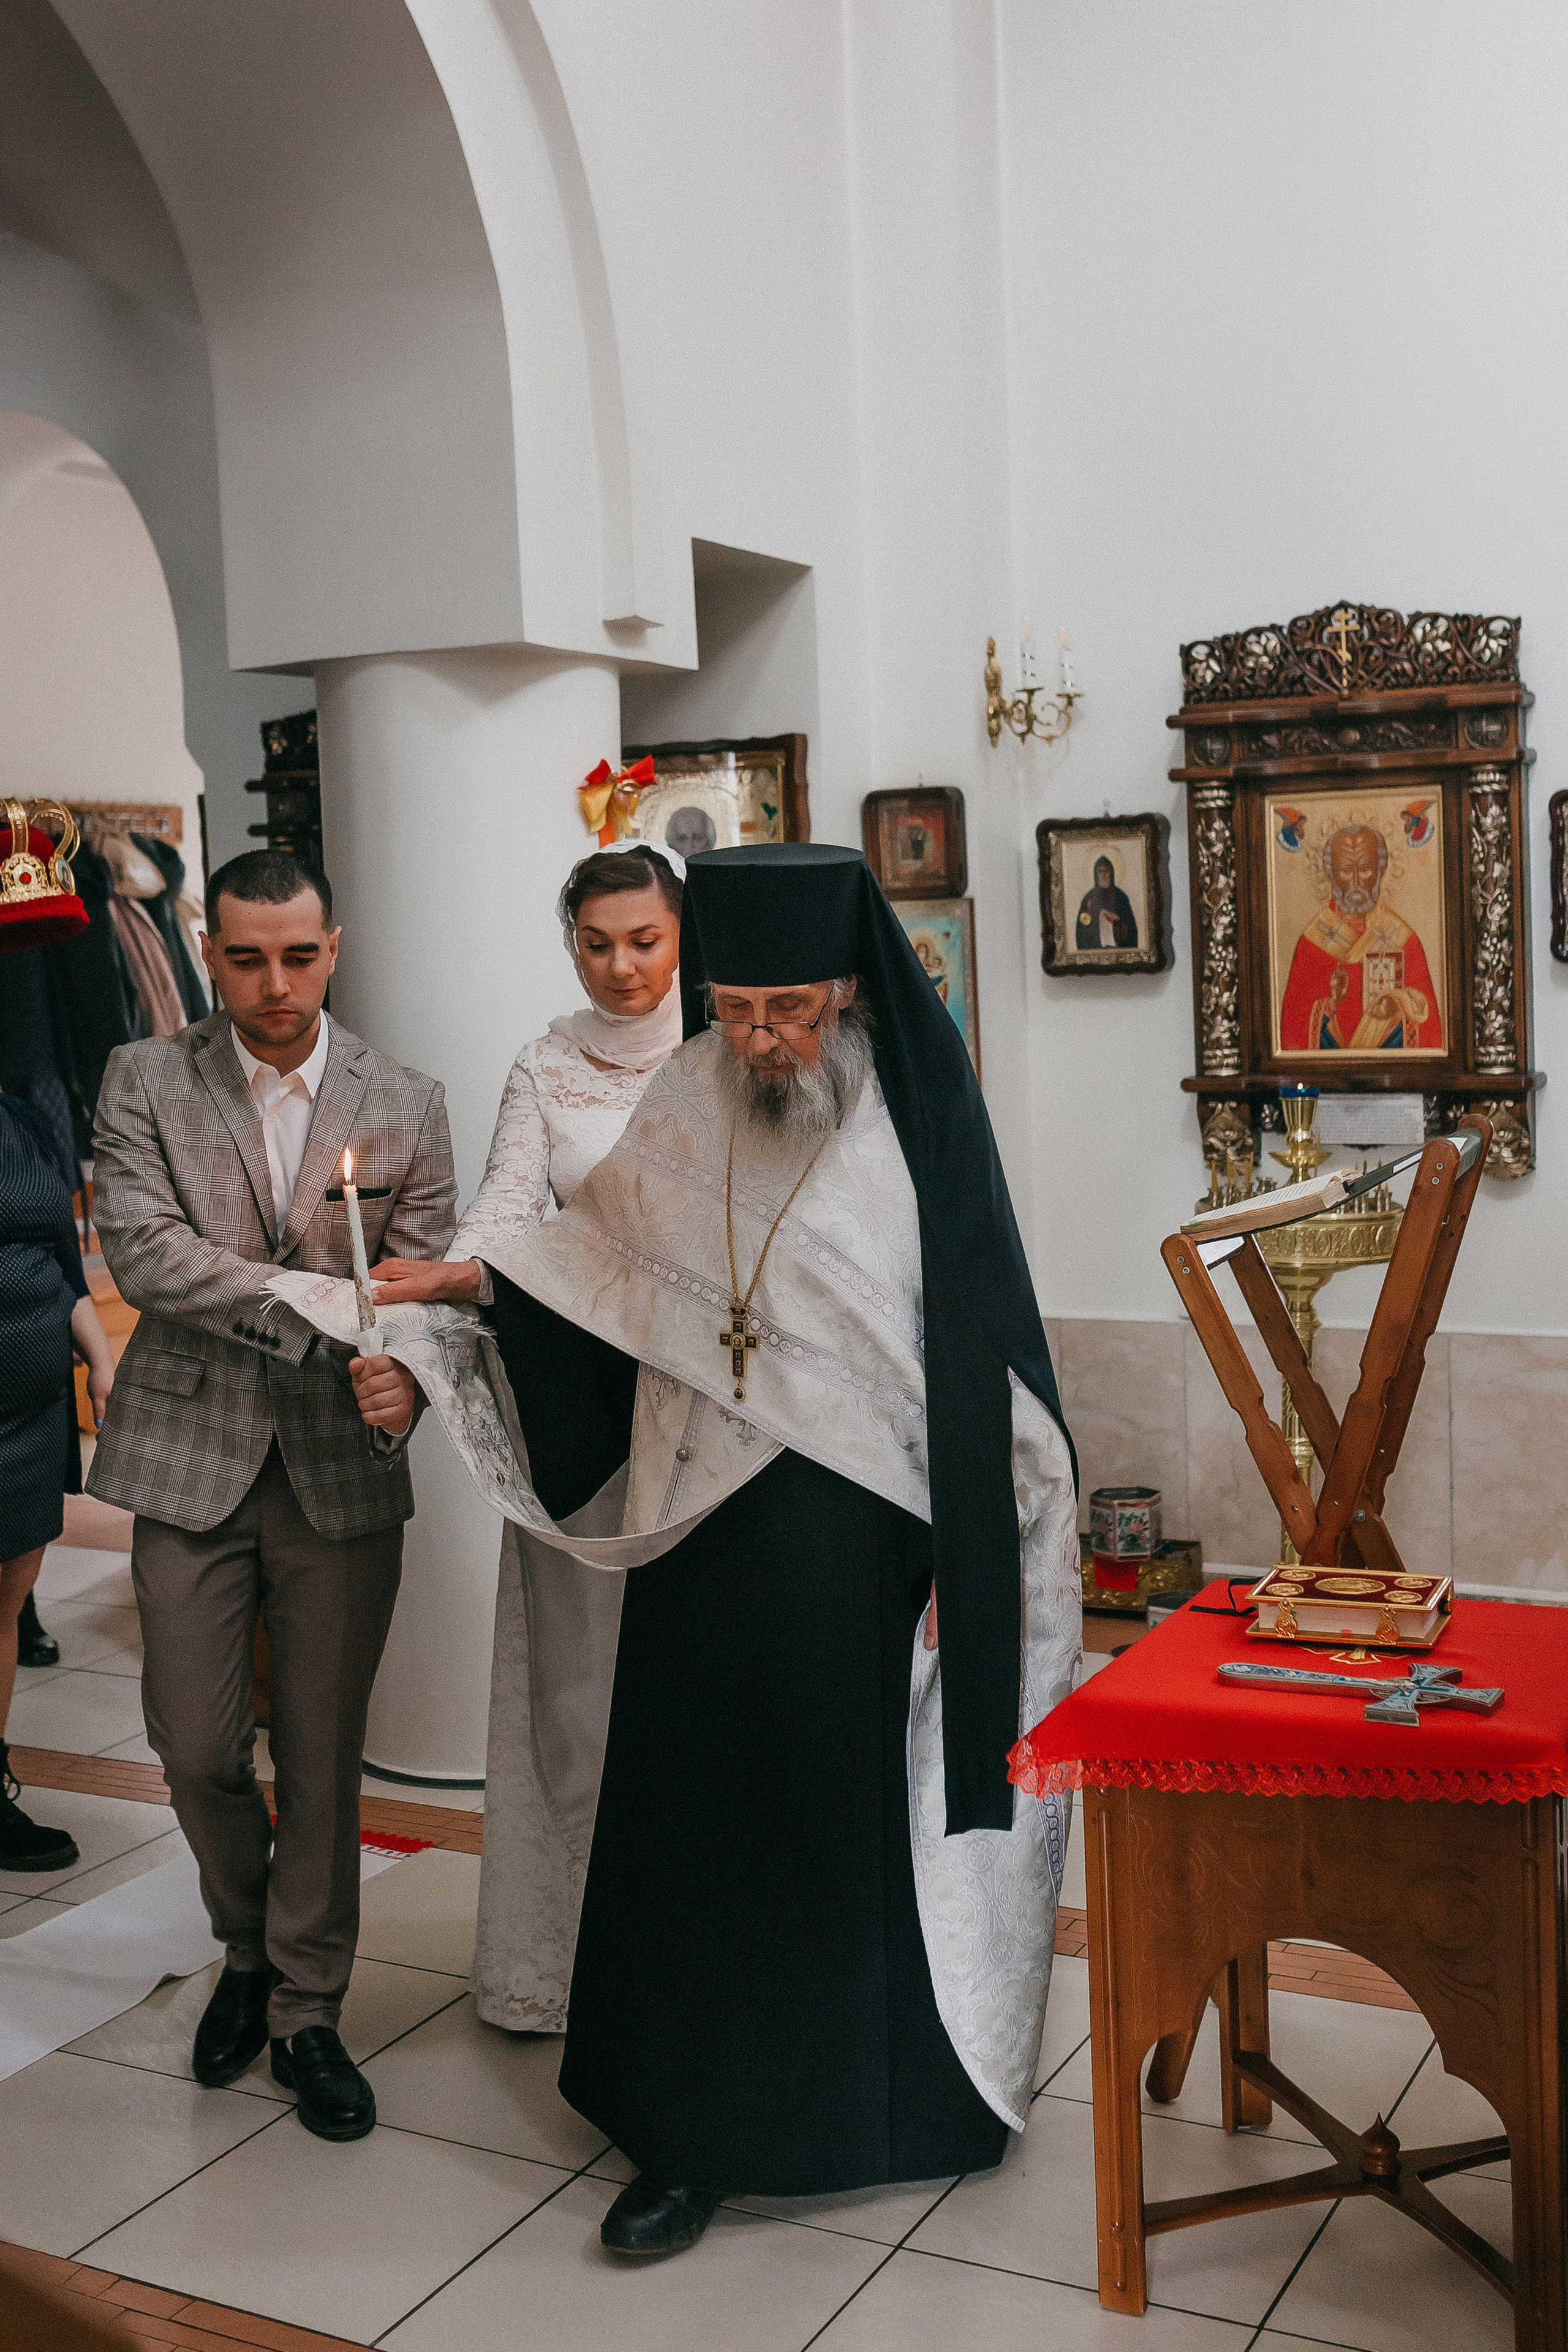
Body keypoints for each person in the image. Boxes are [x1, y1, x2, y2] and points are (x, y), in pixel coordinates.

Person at [358, 842, 1080, 2256]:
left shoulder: (908, 1112)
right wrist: (469, 1289)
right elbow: (600, 1269)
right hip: (704, 1521)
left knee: (833, 1818)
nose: (760, 1038)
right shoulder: (689, 1092)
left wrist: (971, 1547)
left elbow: (972, 1336)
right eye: (738, 1005)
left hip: (855, 1531)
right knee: (695, 1824)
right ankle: (684, 2136)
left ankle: (874, 2107)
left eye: (789, 1010)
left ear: (847, 989)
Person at [88, 850, 456, 2142]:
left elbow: (422, 1295)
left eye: (298, 957)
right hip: (186, 1457)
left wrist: (407, 1381)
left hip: (338, 1472)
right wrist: (307, 1306)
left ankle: (304, 2005)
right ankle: (242, 1945)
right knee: (194, 1748)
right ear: (208, 945)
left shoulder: (405, 1100)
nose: (274, 983)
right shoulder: (146, 1077)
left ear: (333, 947)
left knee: (321, 1755)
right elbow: (146, 1250)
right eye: (245, 957)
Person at [372, 840, 684, 2030]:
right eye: (595, 944)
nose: (621, 968)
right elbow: (505, 1214)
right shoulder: (547, 1067)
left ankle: (685, 1953)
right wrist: (449, 1274)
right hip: (584, 1402)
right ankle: (558, 1963)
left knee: (688, 1678)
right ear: (569, 945)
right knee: (578, 1684)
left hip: (707, 1399)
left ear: (678, 936)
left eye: (643, 941)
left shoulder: (717, 1050)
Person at [0, 1091, 115, 1869]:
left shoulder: (22, 1116)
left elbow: (60, 1268)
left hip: (31, 1413)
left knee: (4, 1603)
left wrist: (102, 1360)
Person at [1279, 823, 1439, 1050]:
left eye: (1365, 869)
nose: (1356, 882)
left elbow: (1429, 1030)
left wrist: (1398, 1004)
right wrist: (1331, 1004)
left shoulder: (1403, 938)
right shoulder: (1312, 942)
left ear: (1381, 871)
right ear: (1330, 874)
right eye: (1345, 871)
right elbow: (1292, 1030)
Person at [1074, 853, 1139, 950]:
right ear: (1096, 875)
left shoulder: (1121, 897)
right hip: (1097, 950)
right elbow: (1082, 928)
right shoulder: (1089, 899)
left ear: (1111, 873)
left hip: (1117, 948)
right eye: (1100, 872)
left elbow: (1131, 926)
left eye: (1107, 871)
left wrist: (1118, 919)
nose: (1104, 875)